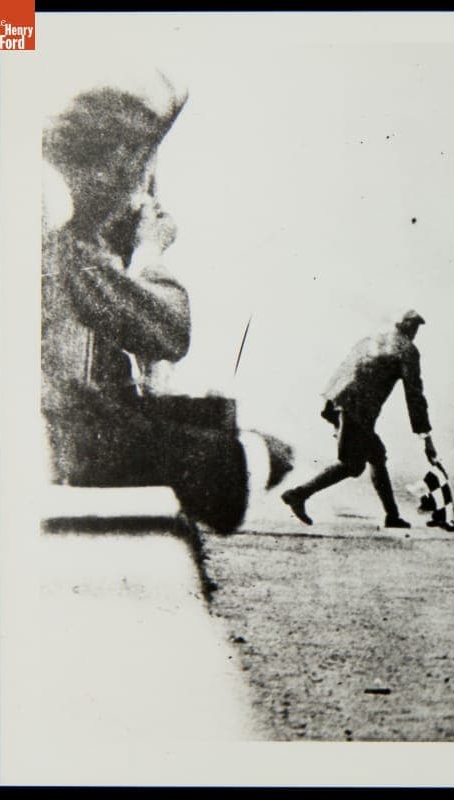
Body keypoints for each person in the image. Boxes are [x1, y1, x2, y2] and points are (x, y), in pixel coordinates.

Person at [40, 69, 291, 533]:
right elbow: (167, 331)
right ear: (118, 162)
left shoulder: (53, 225)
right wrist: (150, 252)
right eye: (138, 168)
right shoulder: (55, 235)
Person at [281, 309, 439, 529]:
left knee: (377, 456)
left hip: (341, 403)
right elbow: (414, 395)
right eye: (415, 328)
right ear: (408, 327)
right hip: (359, 411)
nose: (415, 333)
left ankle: (392, 515)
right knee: (353, 465)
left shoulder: (371, 339)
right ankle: (298, 494)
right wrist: (425, 437)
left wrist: (331, 411)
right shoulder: (407, 350)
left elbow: (342, 372)